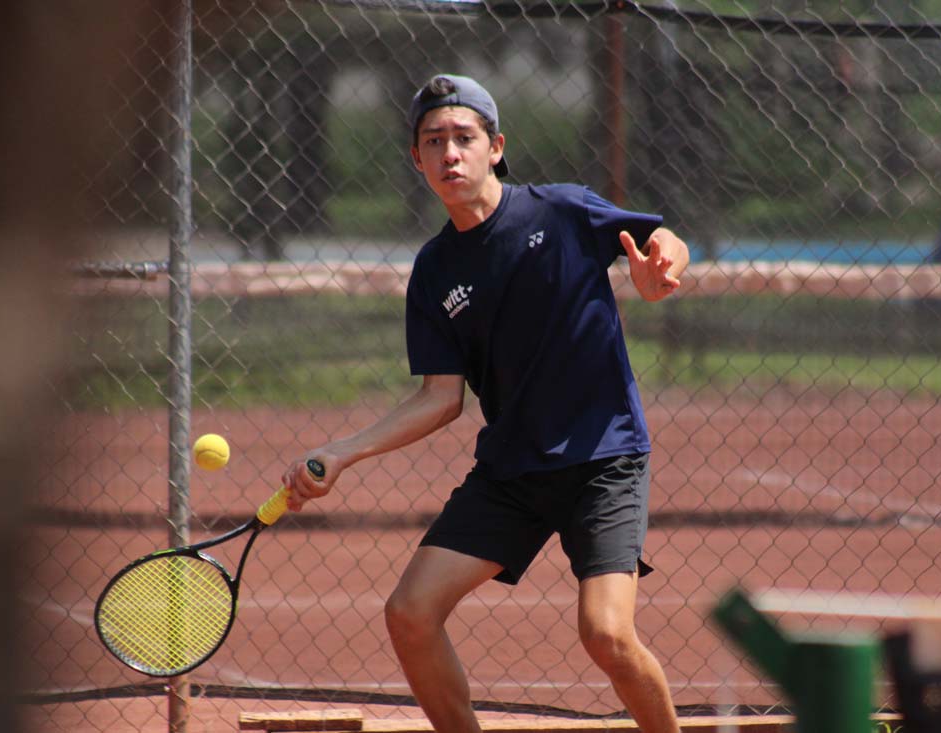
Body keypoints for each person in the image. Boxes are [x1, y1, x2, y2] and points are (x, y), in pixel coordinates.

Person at [282, 73, 689, 733]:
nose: (450, 153)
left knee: (607, 635)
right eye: (433, 140)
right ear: (416, 159)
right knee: (409, 612)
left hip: (603, 458)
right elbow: (441, 399)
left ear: (495, 146)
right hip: (511, 473)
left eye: (464, 137)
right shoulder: (435, 271)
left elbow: (665, 238)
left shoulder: (559, 211)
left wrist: (659, 268)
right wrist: (342, 452)